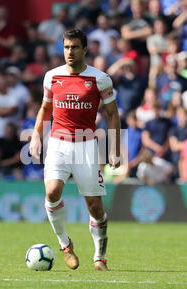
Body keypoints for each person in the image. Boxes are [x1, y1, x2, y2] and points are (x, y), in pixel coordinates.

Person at [29, 29, 120, 271]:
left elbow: (113, 115)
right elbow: (45, 108)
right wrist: (36, 135)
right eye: (67, 47)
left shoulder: (99, 79)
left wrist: (114, 149)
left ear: (85, 49)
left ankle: (100, 257)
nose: (70, 52)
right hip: (58, 144)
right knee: (52, 191)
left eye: (75, 47)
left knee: (94, 206)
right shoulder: (52, 76)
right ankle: (65, 245)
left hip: (87, 146)